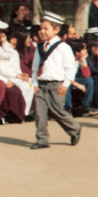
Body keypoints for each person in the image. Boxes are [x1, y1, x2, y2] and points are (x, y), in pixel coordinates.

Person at [30, 11, 82, 149]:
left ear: (56, 29)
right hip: (42, 85)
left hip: (56, 85)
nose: (42, 31)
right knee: (40, 114)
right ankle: (42, 139)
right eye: (41, 29)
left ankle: (74, 128)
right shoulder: (39, 48)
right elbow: (35, 67)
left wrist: (66, 84)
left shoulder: (63, 47)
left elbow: (70, 68)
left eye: (45, 29)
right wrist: (34, 83)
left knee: (58, 111)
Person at [64, 39, 98, 117]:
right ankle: (68, 108)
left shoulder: (79, 59)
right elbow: (65, 77)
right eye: (83, 49)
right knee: (67, 86)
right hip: (65, 80)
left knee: (89, 80)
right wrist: (78, 85)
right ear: (77, 52)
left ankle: (86, 106)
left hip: (72, 79)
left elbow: (87, 75)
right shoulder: (69, 59)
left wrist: (83, 60)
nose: (86, 50)